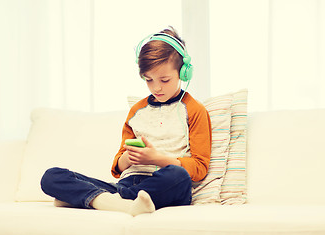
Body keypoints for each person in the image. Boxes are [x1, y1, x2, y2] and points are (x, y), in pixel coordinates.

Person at [40, 27, 212, 216]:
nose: (156, 87)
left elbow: (199, 168)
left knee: (179, 177)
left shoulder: (195, 110)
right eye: (148, 80)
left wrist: (155, 158)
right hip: (126, 184)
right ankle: (124, 203)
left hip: (163, 184)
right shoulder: (137, 111)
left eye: (164, 79)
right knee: (52, 177)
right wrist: (127, 158)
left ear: (184, 72)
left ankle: (96, 199)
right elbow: (117, 167)